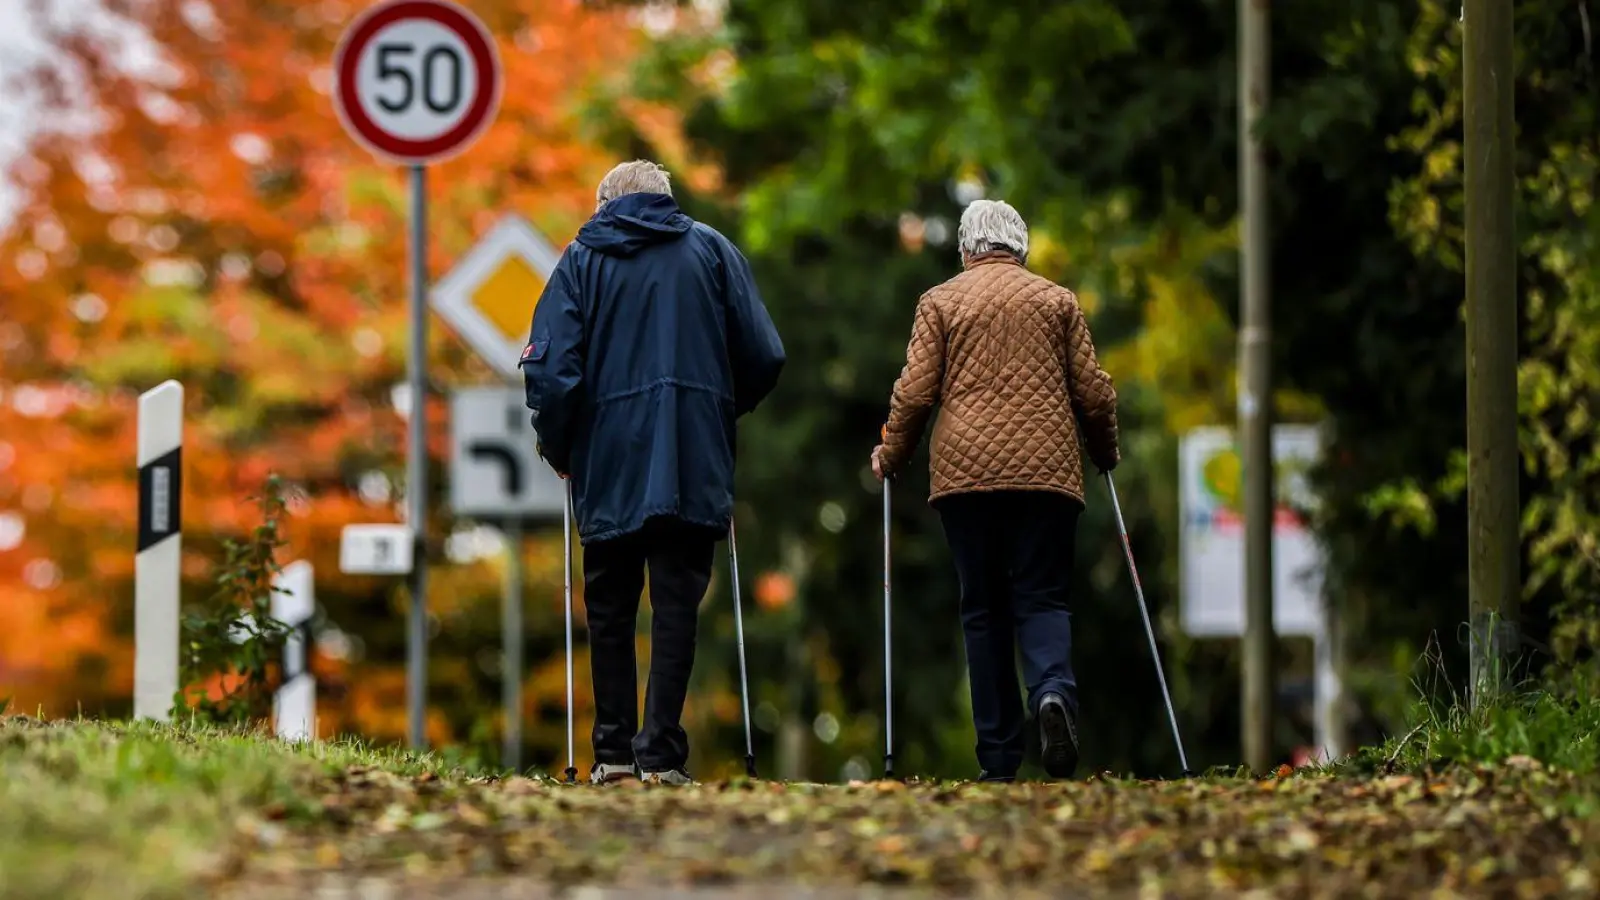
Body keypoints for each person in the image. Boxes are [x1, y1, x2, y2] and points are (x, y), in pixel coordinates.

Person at [520, 160, 786, 786]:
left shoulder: (581, 261)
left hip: (607, 456)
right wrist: (717, 405)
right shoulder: (712, 251)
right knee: (676, 605)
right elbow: (765, 353)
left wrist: (559, 446)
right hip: (692, 451)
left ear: (605, 203)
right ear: (666, 199)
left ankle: (612, 754)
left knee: (609, 605)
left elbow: (552, 371)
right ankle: (661, 754)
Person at [870, 199, 1120, 782]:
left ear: (965, 249)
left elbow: (914, 394)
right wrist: (1105, 453)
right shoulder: (1058, 301)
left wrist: (892, 454)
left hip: (966, 479)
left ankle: (999, 759)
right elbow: (1096, 395)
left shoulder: (940, 302)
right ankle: (1053, 695)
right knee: (1043, 597)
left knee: (983, 610)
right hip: (1047, 475)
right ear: (1020, 247)